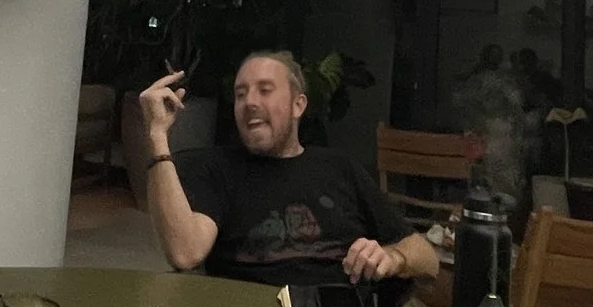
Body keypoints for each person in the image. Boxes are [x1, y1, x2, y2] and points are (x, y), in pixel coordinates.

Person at [140, 52, 437, 289]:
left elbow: (427, 259)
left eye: (265, 90)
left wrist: (393, 257)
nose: (250, 102)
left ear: (298, 105)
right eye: (241, 94)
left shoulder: (340, 168)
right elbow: (185, 252)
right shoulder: (219, 168)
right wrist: (156, 135)